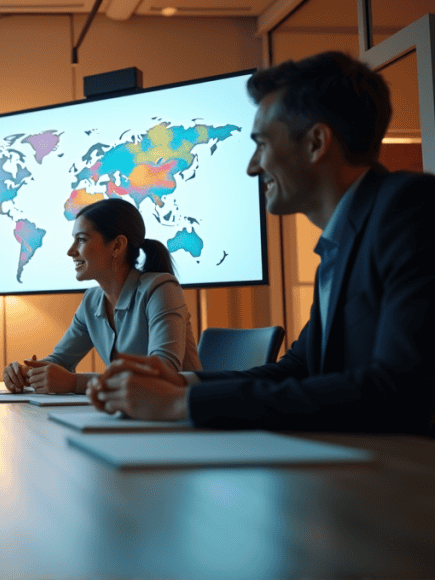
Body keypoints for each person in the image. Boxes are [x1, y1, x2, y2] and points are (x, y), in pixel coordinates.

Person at [91, 51, 435, 435]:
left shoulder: (410, 209)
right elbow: (300, 369)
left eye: (262, 144)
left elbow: (399, 390)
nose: (253, 166)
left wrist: (180, 405)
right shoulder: (343, 240)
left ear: (316, 142)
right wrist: (184, 383)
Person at [3, 198, 201, 394]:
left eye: (81, 239)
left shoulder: (161, 288)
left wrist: (74, 383)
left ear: (117, 246)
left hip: (183, 415)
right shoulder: (92, 300)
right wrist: (24, 373)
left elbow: (164, 373)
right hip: (132, 413)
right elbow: (60, 361)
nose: (70, 251)